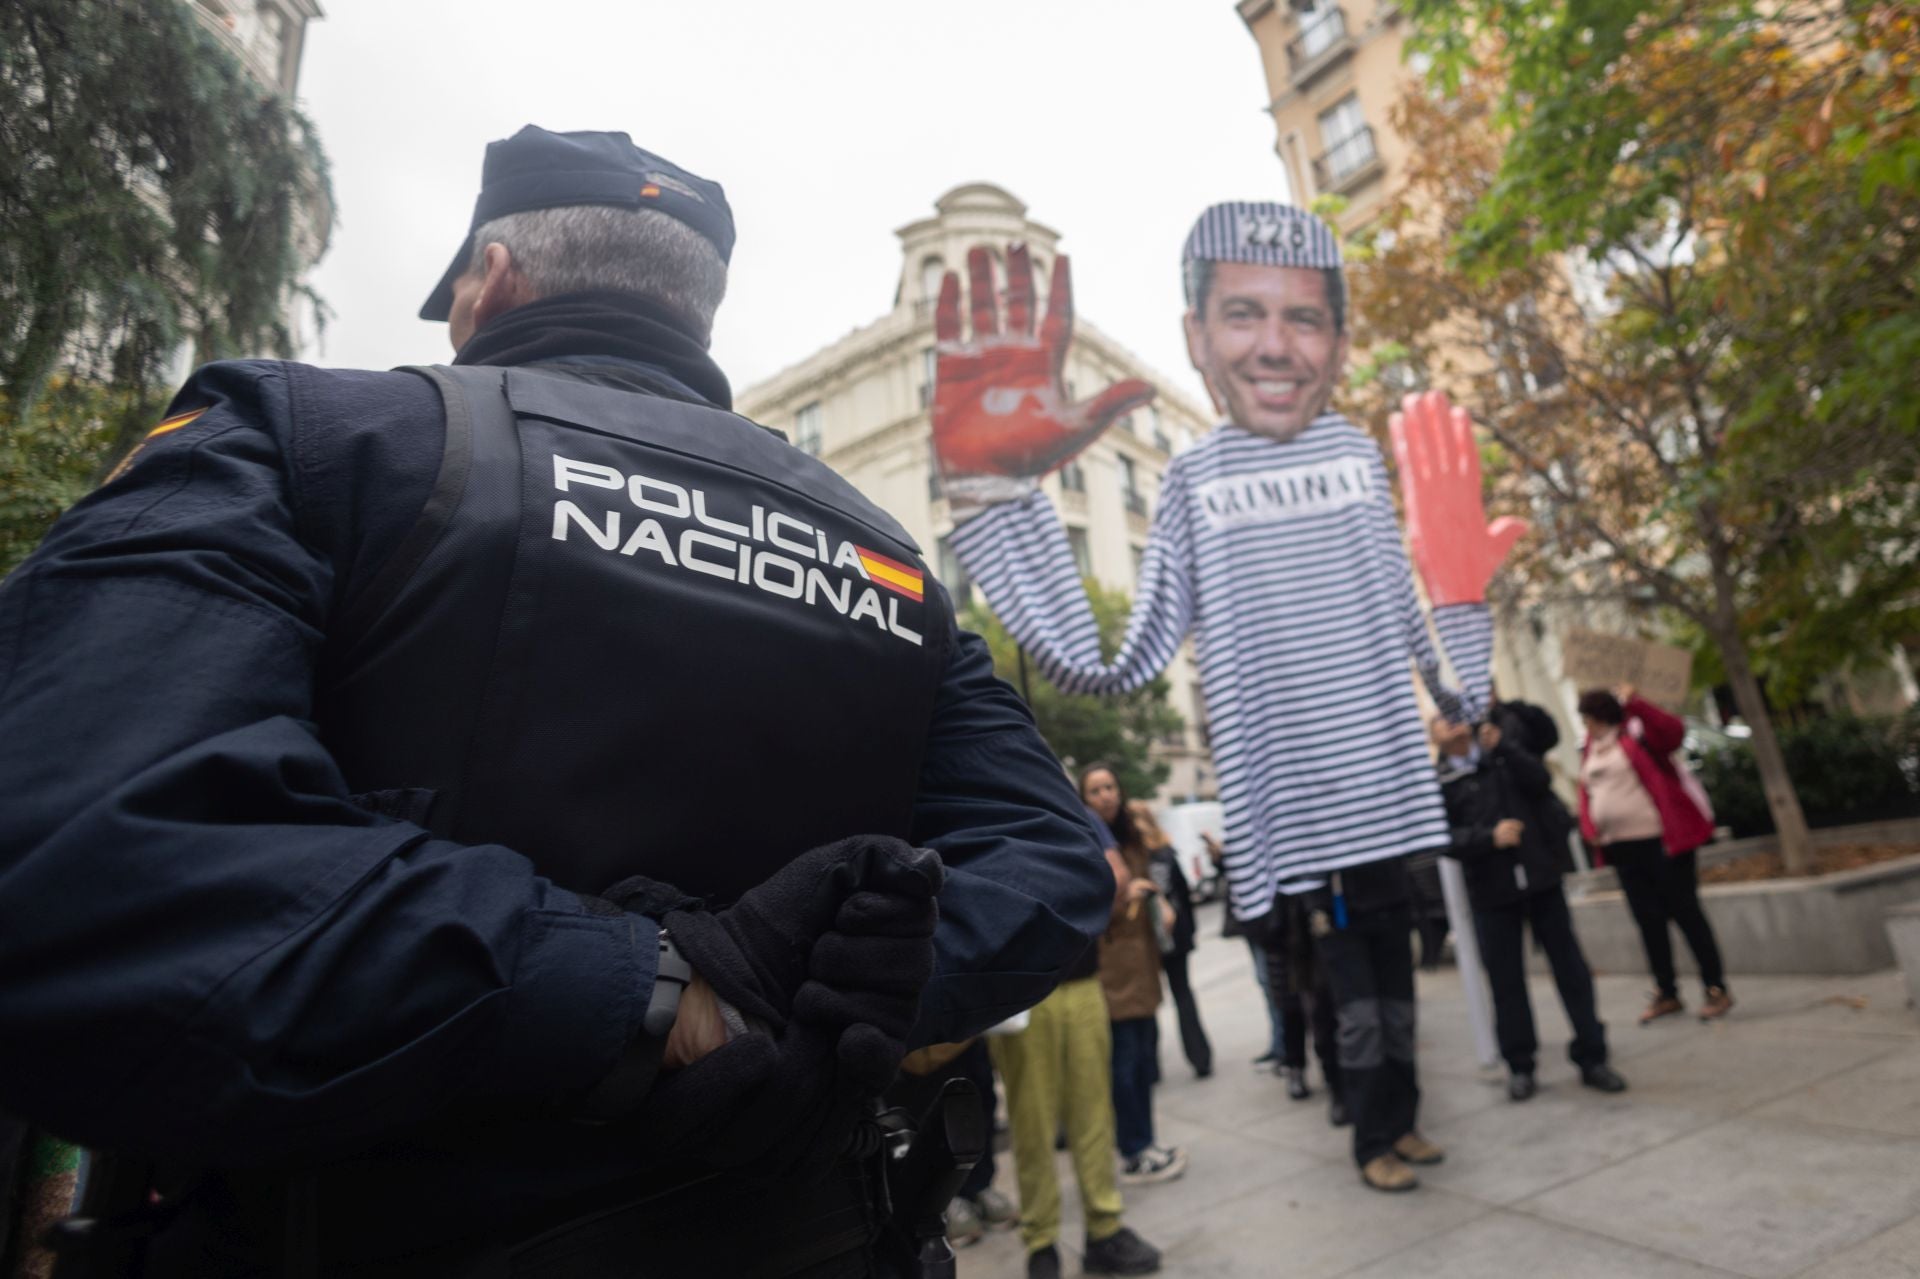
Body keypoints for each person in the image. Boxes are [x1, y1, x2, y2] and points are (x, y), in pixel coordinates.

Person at [0, 126, 1117, 1277]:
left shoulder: (315, 442)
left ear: (493, 279)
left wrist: (669, 1000)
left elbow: (70, 853)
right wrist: (768, 1002)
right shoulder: (889, 559)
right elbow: (1056, 861)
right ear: (698, 317)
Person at [936, 205, 1527, 1193]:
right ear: (1196, 338)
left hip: (1389, 805)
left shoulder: (1352, 459)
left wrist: (1462, 607)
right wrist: (995, 498)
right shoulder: (1196, 477)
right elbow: (1116, 664)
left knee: (1394, 983)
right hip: (1310, 823)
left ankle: (1405, 1122)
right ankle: (1373, 1138)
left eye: (1304, 318)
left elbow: (1433, 660)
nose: (1274, 345)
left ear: (1338, 339)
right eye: (1244, 312)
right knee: (1354, 995)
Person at [991, 796, 1165, 1279]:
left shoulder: (1066, 808)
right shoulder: (1009, 804)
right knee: (1037, 1122)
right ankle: (1045, 1239)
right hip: (1025, 992)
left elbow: (1116, 879)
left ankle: (1099, 1230)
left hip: (1073, 981)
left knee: (1082, 1115)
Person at [1433, 710, 1628, 1100]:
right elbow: (1441, 838)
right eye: (1442, 717)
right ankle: (1520, 1064)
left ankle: (1592, 1056)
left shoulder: (1501, 751)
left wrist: (1503, 745)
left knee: (1571, 970)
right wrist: (1488, 838)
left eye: (1457, 713)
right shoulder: (1438, 781)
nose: (1452, 722)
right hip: (1491, 892)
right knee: (1506, 983)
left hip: (1541, 879)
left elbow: (1540, 781)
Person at [1577, 687, 1733, 1024]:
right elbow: (1587, 790)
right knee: (1648, 922)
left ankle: (1715, 987)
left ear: (1600, 716)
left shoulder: (1638, 731)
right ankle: (1667, 992)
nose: (1585, 724)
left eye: (1588, 717)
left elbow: (1674, 733)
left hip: (1662, 843)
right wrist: (1590, 826)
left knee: (1686, 914)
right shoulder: (1590, 747)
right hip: (1622, 847)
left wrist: (1637, 702)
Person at [1078, 767, 1189, 1187]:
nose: (1105, 795)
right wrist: (1127, 890)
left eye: (1110, 786)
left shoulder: (1126, 834)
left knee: (1143, 1059)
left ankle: (1145, 1142)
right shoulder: (1089, 843)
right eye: (1095, 790)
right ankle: (1134, 1149)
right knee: (1125, 1062)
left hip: (1141, 963)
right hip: (1111, 970)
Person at [1136, 803, 1214, 1080]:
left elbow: (1182, 894)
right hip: (1160, 937)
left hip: (1163, 937)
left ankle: (1184, 1061)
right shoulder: (1154, 853)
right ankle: (1195, 1059)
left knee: (1168, 996)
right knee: (1171, 995)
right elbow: (1184, 895)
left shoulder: (1150, 855)